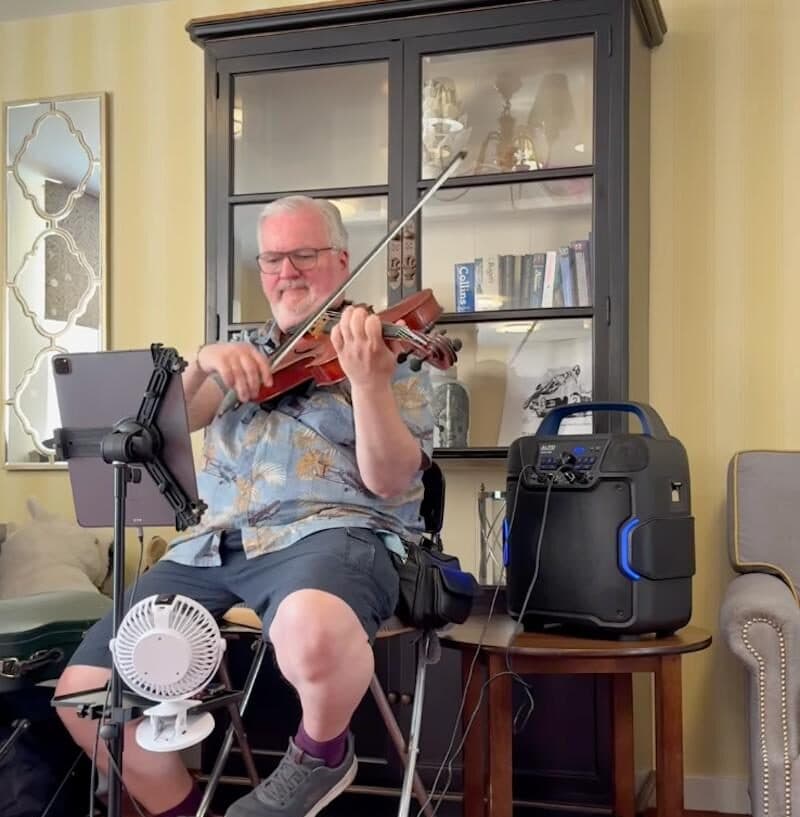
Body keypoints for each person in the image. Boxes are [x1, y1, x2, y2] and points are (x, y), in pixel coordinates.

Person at [55, 195, 435, 817]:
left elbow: (390, 480)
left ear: (341, 260)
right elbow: (155, 428)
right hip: (213, 545)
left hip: (332, 534)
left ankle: (320, 755)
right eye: (273, 259)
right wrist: (202, 364)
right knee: (86, 695)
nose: (287, 272)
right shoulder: (246, 355)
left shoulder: (388, 349)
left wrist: (368, 383)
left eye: (304, 255)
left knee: (310, 630)